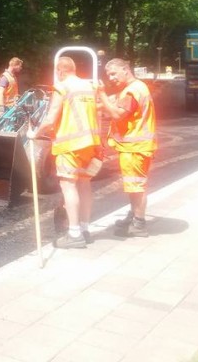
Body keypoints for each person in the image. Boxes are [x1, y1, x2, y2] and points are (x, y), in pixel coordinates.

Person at [27, 56, 102, 248]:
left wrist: (35, 133)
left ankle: (74, 234)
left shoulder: (62, 87)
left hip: (70, 144)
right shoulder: (89, 87)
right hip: (90, 143)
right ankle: (84, 229)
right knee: (85, 185)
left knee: (69, 187)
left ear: (60, 70)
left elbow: (51, 118)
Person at [96, 58, 157, 237]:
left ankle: (139, 224)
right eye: (108, 75)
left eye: (113, 73)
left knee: (137, 186)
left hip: (136, 147)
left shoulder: (132, 91)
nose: (111, 78)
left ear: (125, 69)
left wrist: (101, 94)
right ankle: (134, 216)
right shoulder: (131, 89)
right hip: (134, 147)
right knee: (133, 185)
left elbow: (116, 113)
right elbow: (109, 106)